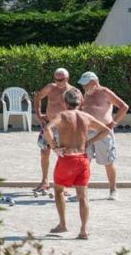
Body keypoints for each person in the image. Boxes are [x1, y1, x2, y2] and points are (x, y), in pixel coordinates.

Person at [43, 88, 111, 240]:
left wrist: (54, 146)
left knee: (59, 191)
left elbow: (47, 129)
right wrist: (90, 141)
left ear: (65, 102)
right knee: (83, 196)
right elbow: (106, 130)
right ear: (80, 103)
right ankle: (84, 230)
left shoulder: (62, 115)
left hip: (66, 158)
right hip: (82, 158)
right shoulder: (85, 116)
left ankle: (62, 224)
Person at [79, 71, 128, 200]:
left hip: (103, 132)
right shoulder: (87, 93)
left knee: (108, 162)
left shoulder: (105, 92)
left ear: (94, 82)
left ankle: (113, 190)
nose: (83, 87)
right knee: (84, 161)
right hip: (87, 132)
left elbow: (124, 107)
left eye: (85, 84)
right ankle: (82, 191)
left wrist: (114, 123)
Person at [34, 68, 74, 192]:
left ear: (67, 78)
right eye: (56, 79)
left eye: (60, 80)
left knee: (63, 155)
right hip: (48, 124)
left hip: (63, 127)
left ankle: (63, 184)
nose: (57, 82)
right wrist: (39, 114)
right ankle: (45, 181)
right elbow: (38, 97)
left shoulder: (72, 91)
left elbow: (79, 109)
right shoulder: (50, 87)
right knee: (44, 152)